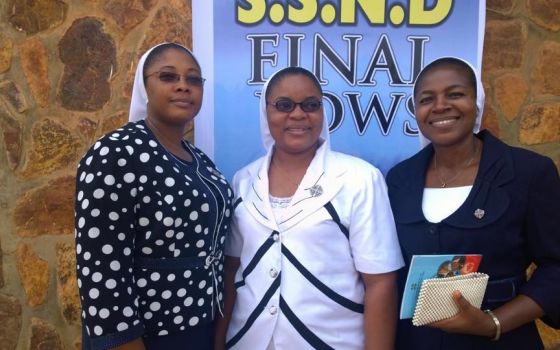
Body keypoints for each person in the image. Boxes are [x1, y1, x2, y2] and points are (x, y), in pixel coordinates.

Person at [215, 67, 404, 349]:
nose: (298, 114)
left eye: (311, 105)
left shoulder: (360, 179)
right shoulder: (243, 181)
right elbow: (232, 270)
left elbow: (380, 284)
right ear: (266, 113)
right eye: (284, 105)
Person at [386, 57, 560, 349]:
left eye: (455, 94)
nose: (440, 106)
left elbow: (556, 266)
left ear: (477, 102)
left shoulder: (528, 173)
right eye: (427, 99)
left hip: (502, 341)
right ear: (416, 111)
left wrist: (494, 322)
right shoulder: (399, 180)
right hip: (415, 342)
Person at [74, 43, 234, 350]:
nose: (183, 86)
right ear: (145, 87)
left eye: (194, 79)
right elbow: (101, 268)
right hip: (145, 336)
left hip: (199, 328)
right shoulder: (117, 153)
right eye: (168, 76)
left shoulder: (200, 160)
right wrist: (124, 341)